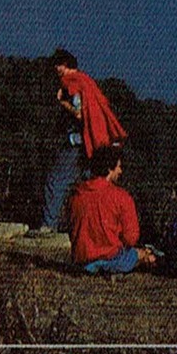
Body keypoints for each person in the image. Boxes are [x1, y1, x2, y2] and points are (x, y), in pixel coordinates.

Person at [39, 47, 127, 233]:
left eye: (59, 64)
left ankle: (48, 228)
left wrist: (62, 103)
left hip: (80, 142)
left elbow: (80, 114)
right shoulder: (88, 81)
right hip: (97, 144)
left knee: (55, 181)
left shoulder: (72, 82)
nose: (56, 68)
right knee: (92, 187)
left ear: (66, 65)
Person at [69, 146, 156, 275]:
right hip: (112, 258)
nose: (120, 171)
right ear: (110, 168)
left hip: (82, 260)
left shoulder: (76, 195)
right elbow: (131, 238)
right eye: (119, 166)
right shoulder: (121, 197)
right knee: (142, 254)